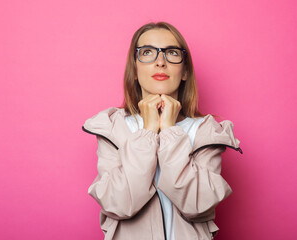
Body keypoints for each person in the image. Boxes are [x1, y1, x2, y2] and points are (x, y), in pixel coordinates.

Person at [82, 21, 242, 240]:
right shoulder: (113, 127)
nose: (160, 62)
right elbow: (118, 204)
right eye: (147, 52)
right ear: (135, 70)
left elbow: (198, 204)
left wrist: (169, 130)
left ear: (184, 71)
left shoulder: (205, 131)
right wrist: (147, 132)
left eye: (172, 53)